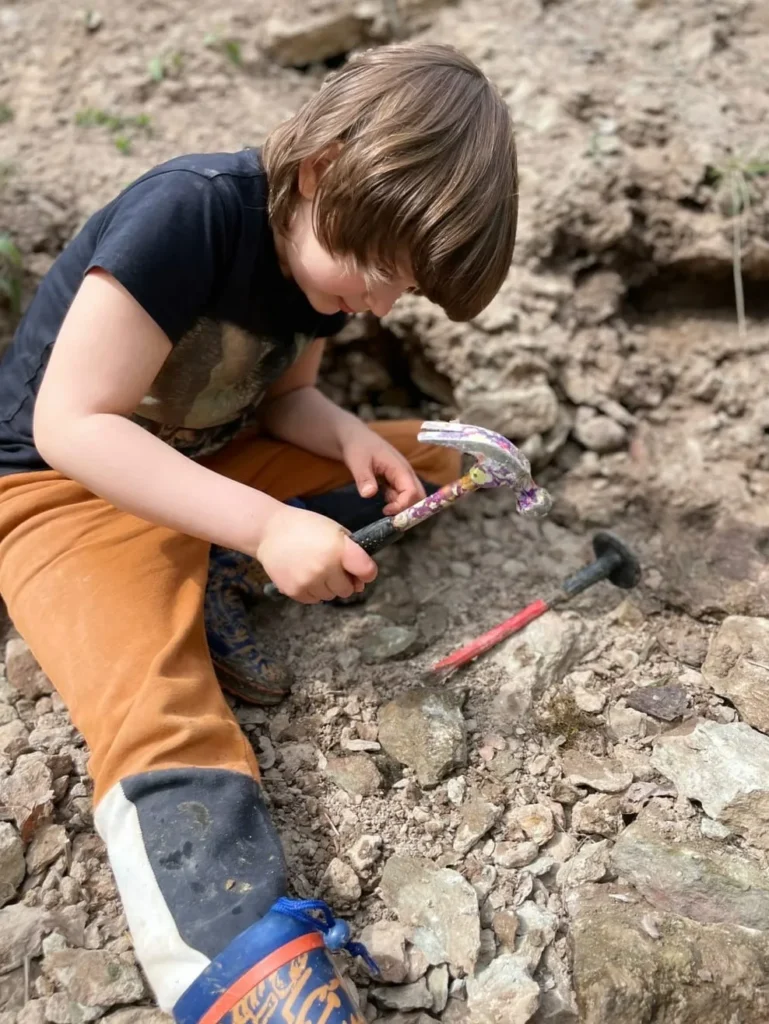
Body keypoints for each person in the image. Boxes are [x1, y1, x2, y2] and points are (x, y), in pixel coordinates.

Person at [0, 41, 517, 1023]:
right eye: (376, 271)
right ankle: (230, 950)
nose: (378, 301)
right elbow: (71, 423)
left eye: (400, 290)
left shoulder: (317, 265)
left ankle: (214, 565)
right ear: (320, 173)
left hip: (204, 464)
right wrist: (267, 520)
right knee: (154, 690)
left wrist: (348, 435)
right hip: (56, 493)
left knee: (442, 458)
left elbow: (285, 403)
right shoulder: (190, 212)